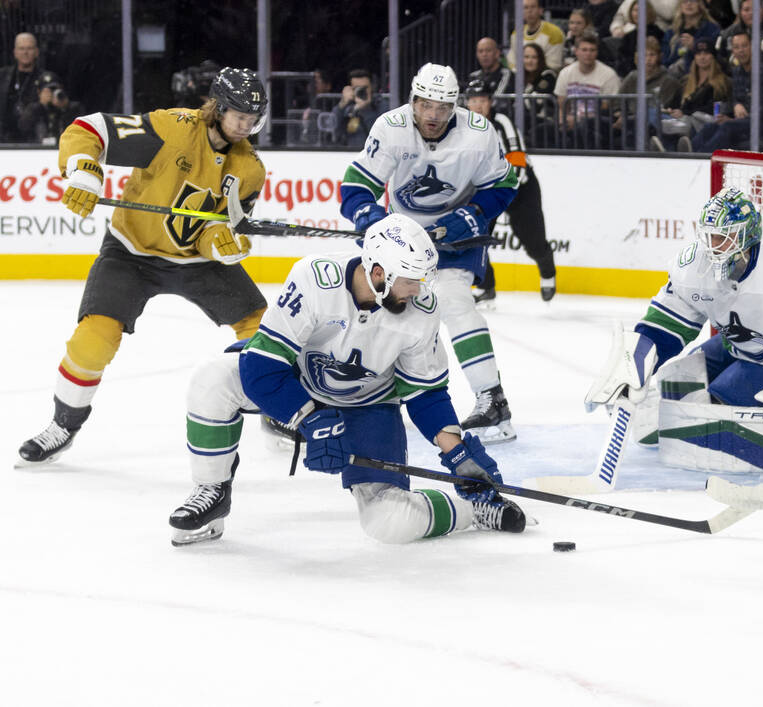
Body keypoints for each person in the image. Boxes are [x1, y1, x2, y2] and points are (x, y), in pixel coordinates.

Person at [168, 215, 525, 546]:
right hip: (299, 383)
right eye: (410, 280)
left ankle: (470, 510)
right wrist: (308, 419)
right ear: (379, 272)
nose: (417, 290)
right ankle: (212, 491)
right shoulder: (314, 279)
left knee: (390, 522)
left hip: (367, 405)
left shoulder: (422, 310)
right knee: (212, 379)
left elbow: (425, 393)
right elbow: (262, 365)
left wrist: (458, 454)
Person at [16, 68, 270, 466]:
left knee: (264, 327)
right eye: (239, 115)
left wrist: (221, 242)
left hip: (196, 263)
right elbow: (90, 128)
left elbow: (219, 224)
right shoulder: (173, 127)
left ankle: (273, 407)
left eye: (253, 119)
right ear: (217, 107)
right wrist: (84, 169)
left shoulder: (250, 169)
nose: (246, 125)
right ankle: (63, 425)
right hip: (131, 251)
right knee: (94, 339)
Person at [584, 187, 763, 474]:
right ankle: (674, 420)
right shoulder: (694, 266)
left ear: (747, 235)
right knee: (678, 379)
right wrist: (635, 362)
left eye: (723, 236)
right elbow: (666, 325)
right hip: (737, 345)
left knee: (719, 400)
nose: (713, 245)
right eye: (709, 236)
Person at [339, 64, 520, 444]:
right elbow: (357, 185)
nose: (433, 114)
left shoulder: (479, 134)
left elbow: (504, 183)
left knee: (454, 303)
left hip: (454, 237)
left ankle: (493, 399)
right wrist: (369, 216)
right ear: (413, 100)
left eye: (442, 106)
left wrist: (472, 215)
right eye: (425, 105)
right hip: (402, 237)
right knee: (386, 307)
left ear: (455, 105)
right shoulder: (391, 127)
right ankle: (362, 393)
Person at [463, 80, 557, 303]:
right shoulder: (461, 128)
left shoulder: (501, 122)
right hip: (487, 190)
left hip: (519, 187)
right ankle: (486, 286)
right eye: (473, 101)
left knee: (533, 241)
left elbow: (516, 158)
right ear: (466, 103)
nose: (477, 106)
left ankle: (547, 270)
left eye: (482, 100)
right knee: (477, 236)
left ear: (491, 102)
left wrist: (502, 192)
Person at [689, 30, 763, 153]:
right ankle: (688, 153)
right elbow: (736, 98)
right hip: (744, 124)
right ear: (733, 52)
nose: (741, 51)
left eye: (744, 46)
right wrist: (735, 105)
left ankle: (701, 158)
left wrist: (733, 120)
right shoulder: (737, 72)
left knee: (727, 126)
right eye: (736, 47)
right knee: (710, 126)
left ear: (753, 47)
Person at [554, 30, 621, 149]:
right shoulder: (566, 73)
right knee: (542, 129)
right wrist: (563, 120)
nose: (588, 54)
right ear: (576, 51)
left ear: (597, 52)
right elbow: (562, 105)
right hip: (571, 119)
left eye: (592, 50)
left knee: (584, 126)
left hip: (597, 122)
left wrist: (579, 120)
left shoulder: (609, 74)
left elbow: (605, 107)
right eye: (584, 50)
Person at [17, 71, 84, 146]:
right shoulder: (33, 109)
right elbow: (22, 128)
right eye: (48, 91)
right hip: (37, 150)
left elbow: (79, 131)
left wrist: (65, 108)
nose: (52, 94)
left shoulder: (72, 108)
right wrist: (41, 105)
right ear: (39, 92)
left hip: (64, 148)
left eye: (55, 90)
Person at [0, 33, 43, 142]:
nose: (25, 52)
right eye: (21, 48)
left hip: (35, 141)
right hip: (4, 139)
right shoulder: (3, 75)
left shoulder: (46, 78)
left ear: (36, 52)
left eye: (29, 48)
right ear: (15, 52)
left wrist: (44, 103)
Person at [333, 69, 386, 149]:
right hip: (348, 153)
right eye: (357, 88)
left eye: (365, 88)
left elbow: (379, 135)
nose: (362, 91)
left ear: (371, 87)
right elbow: (334, 133)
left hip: (373, 154)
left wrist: (365, 109)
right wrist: (342, 105)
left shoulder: (381, 105)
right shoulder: (348, 106)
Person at [508, 0, 566, 72]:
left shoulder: (554, 33)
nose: (529, 11)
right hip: (521, 79)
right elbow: (512, 62)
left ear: (540, 10)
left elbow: (553, 66)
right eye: (525, 8)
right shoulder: (516, 34)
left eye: (533, 7)